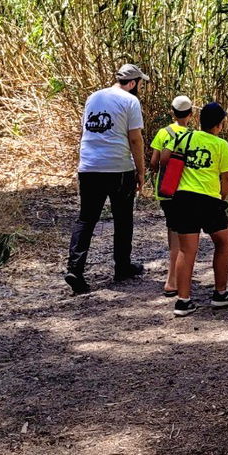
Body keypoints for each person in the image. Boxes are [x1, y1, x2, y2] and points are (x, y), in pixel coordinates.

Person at [67, 64, 148, 295]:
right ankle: (122, 266)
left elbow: (86, 131)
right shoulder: (130, 101)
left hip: (89, 166)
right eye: (140, 83)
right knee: (123, 217)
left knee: (86, 219)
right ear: (132, 83)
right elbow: (135, 140)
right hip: (117, 168)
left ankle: (75, 269)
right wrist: (140, 172)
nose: (140, 88)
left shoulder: (93, 97)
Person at [160, 102, 228, 316]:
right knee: (222, 242)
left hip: (183, 199)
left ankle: (183, 301)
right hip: (209, 200)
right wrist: (221, 198)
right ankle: (220, 293)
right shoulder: (221, 145)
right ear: (219, 124)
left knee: (186, 250)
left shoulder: (185, 137)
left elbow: (164, 158)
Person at [149, 95, 194, 297]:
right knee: (181, 234)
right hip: (185, 190)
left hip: (165, 190)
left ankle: (173, 278)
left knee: (172, 232)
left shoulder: (163, 133)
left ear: (172, 113)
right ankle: (173, 280)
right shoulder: (194, 136)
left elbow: (154, 161)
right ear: (191, 115)